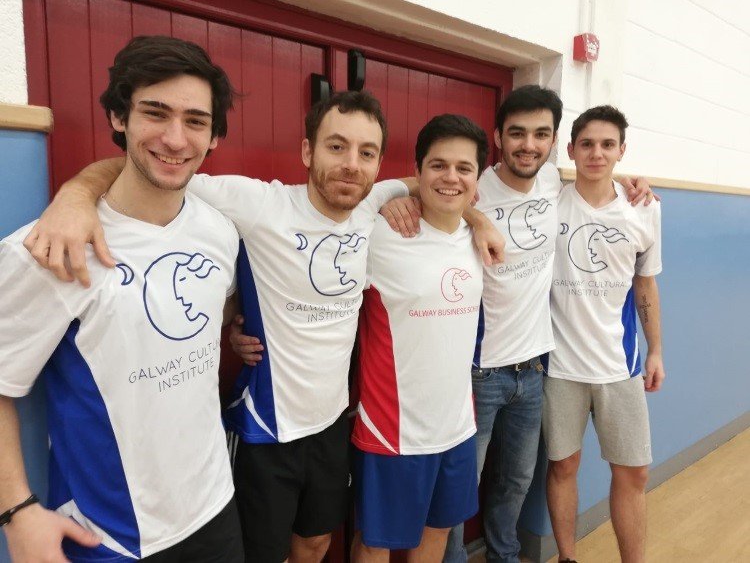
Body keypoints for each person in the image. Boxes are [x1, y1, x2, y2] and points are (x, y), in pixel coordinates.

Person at [21, 89, 505, 562]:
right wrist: (77, 194)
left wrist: (479, 221)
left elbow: (435, 182)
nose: (351, 164)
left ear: (379, 165)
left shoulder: (371, 205)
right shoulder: (259, 204)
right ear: (307, 150)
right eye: (336, 147)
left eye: (367, 153)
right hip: (266, 430)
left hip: (335, 424)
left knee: (316, 544)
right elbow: (154, 170)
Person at [380, 86, 655, 563]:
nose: (529, 144)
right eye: (518, 134)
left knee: (515, 483)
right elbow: (414, 183)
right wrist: (471, 215)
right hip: (478, 371)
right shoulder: (472, 182)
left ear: (553, 145)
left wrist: (633, 181)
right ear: (499, 138)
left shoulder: (554, 184)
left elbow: (600, 172)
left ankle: (503, 555)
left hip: (535, 369)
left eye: (541, 134)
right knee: (460, 491)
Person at [0, 36, 244, 562]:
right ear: (118, 117)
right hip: (110, 539)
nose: (176, 139)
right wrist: (15, 513)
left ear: (214, 136)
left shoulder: (220, 232)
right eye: (155, 113)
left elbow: (209, 316)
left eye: (196, 121)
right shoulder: (49, 250)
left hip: (217, 509)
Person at [351, 115, 487, 562]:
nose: (451, 177)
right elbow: (350, 197)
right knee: (376, 543)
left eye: (464, 168)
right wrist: (398, 191)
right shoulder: (381, 231)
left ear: (478, 177)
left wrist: (479, 217)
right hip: (393, 430)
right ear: (418, 169)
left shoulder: (480, 238)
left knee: (438, 532)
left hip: (458, 426)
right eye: (438, 165)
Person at [544, 105, 663, 563]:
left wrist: (656, 351)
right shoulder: (549, 198)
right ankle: (567, 558)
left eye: (607, 144)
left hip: (621, 365)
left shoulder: (644, 209)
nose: (597, 153)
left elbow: (646, 284)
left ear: (621, 151)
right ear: (571, 149)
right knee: (563, 467)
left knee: (633, 474)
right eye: (587, 144)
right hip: (559, 366)